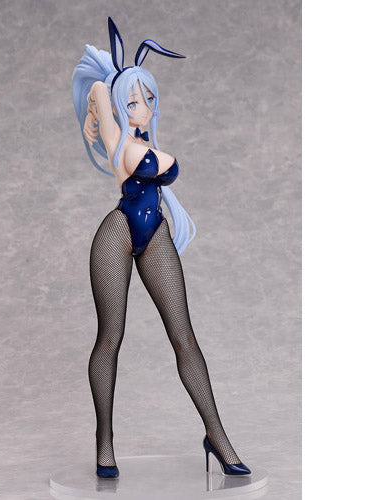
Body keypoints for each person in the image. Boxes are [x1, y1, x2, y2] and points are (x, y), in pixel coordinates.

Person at [71, 17, 251, 479]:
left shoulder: (144, 140)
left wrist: (106, 102)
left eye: (149, 98)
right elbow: (98, 89)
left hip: (154, 234)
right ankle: (104, 443)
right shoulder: (118, 141)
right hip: (117, 232)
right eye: (133, 101)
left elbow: (161, 162)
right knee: (110, 337)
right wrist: (95, 109)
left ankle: (218, 437)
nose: (144, 107)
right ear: (119, 105)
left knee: (184, 336)